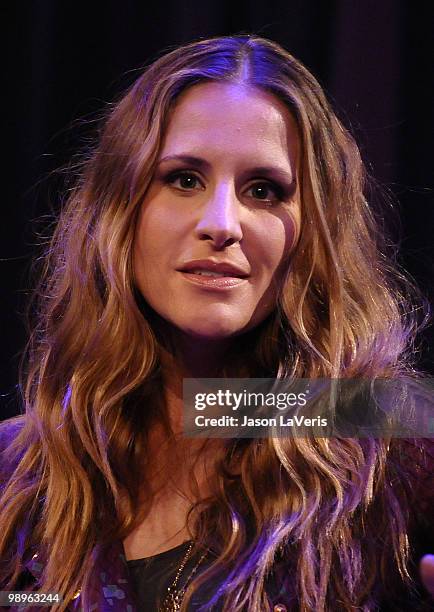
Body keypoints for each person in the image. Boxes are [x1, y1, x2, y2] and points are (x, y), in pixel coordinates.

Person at [0, 35, 433, 612]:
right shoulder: (17, 468)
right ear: (118, 209)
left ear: (315, 231)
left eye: (264, 190)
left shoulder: (391, 442)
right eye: (184, 179)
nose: (221, 222)